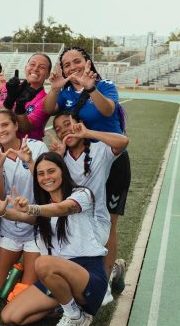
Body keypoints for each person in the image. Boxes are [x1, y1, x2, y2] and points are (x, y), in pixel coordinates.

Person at [43, 46, 129, 297]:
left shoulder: (104, 85)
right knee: (79, 216)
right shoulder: (66, 92)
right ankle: (86, 273)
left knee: (108, 222)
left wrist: (91, 88)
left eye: (77, 61)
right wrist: (55, 88)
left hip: (109, 155)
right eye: (67, 64)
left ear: (88, 62)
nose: (72, 67)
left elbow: (108, 110)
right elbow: (49, 110)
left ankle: (106, 277)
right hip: (78, 160)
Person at [0, 152, 108, 326]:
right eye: (41, 174)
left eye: (51, 171)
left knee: (43, 263)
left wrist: (31, 208)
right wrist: (2, 212)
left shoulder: (82, 194)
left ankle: (74, 316)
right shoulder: (44, 207)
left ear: (62, 171)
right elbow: (23, 216)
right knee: (10, 316)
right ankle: (65, 305)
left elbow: (61, 208)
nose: (46, 177)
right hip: (57, 277)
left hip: (88, 275)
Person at [49, 112, 128, 304]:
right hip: (71, 221)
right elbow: (45, 184)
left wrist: (88, 133)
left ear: (79, 124)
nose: (63, 130)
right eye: (58, 129)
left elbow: (123, 141)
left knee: (82, 273)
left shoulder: (99, 150)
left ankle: (101, 285)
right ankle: (113, 271)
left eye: (67, 124)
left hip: (96, 222)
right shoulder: (61, 157)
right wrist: (57, 158)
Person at [0, 109, 48, 296]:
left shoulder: (36, 147)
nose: (1, 130)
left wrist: (30, 162)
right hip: (10, 228)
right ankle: (20, 268)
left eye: (5, 124)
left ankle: (31, 271)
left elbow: (47, 186)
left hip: (36, 228)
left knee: (25, 293)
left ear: (15, 125)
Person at [0, 53, 52, 140]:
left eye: (42, 67)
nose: (35, 69)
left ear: (48, 75)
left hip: (29, 145)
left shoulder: (46, 100)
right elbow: (0, 117)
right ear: (25, 68)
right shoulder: (9, 88)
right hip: (4, 143)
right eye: (32, 64)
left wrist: (20, 106)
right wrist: (10, 99)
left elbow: (25, 128)